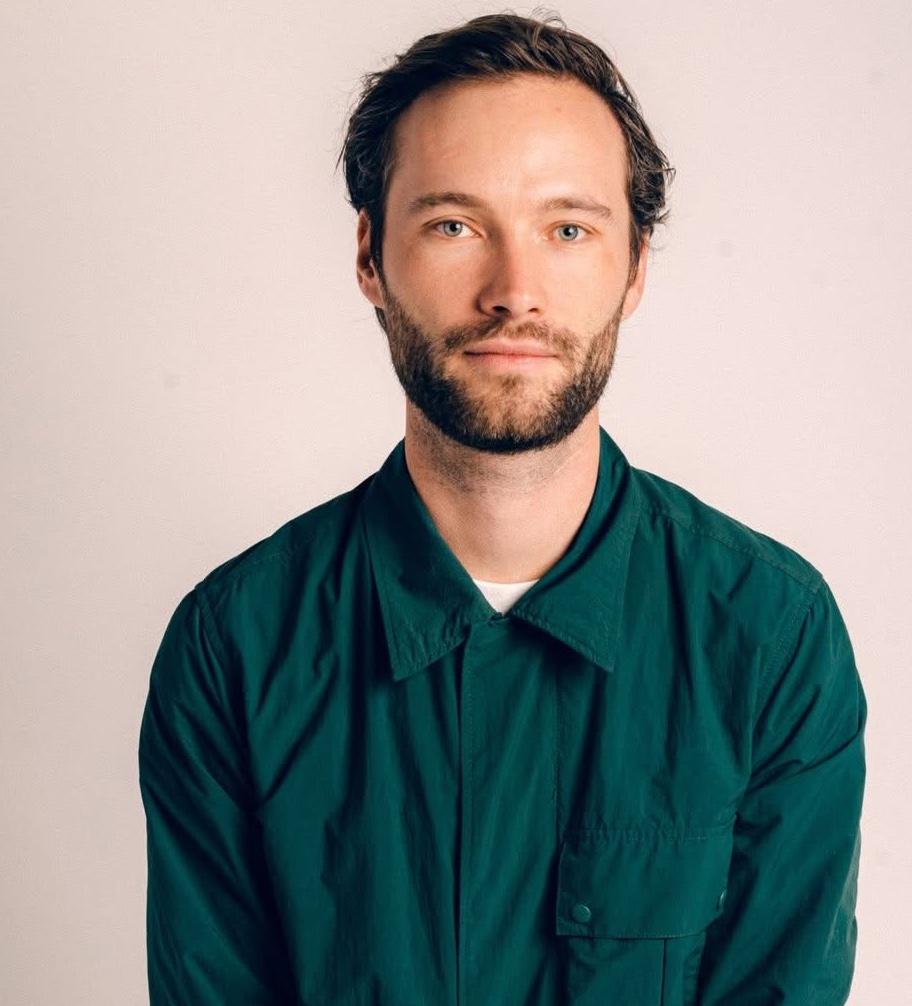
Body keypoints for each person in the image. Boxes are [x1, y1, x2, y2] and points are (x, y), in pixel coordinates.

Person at [137, 11, 867, 1005]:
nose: (514, 292)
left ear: (634, 267)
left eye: (567, 229)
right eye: (455, 225)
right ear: (370, 256)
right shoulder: (238, 644)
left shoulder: (770, 633)